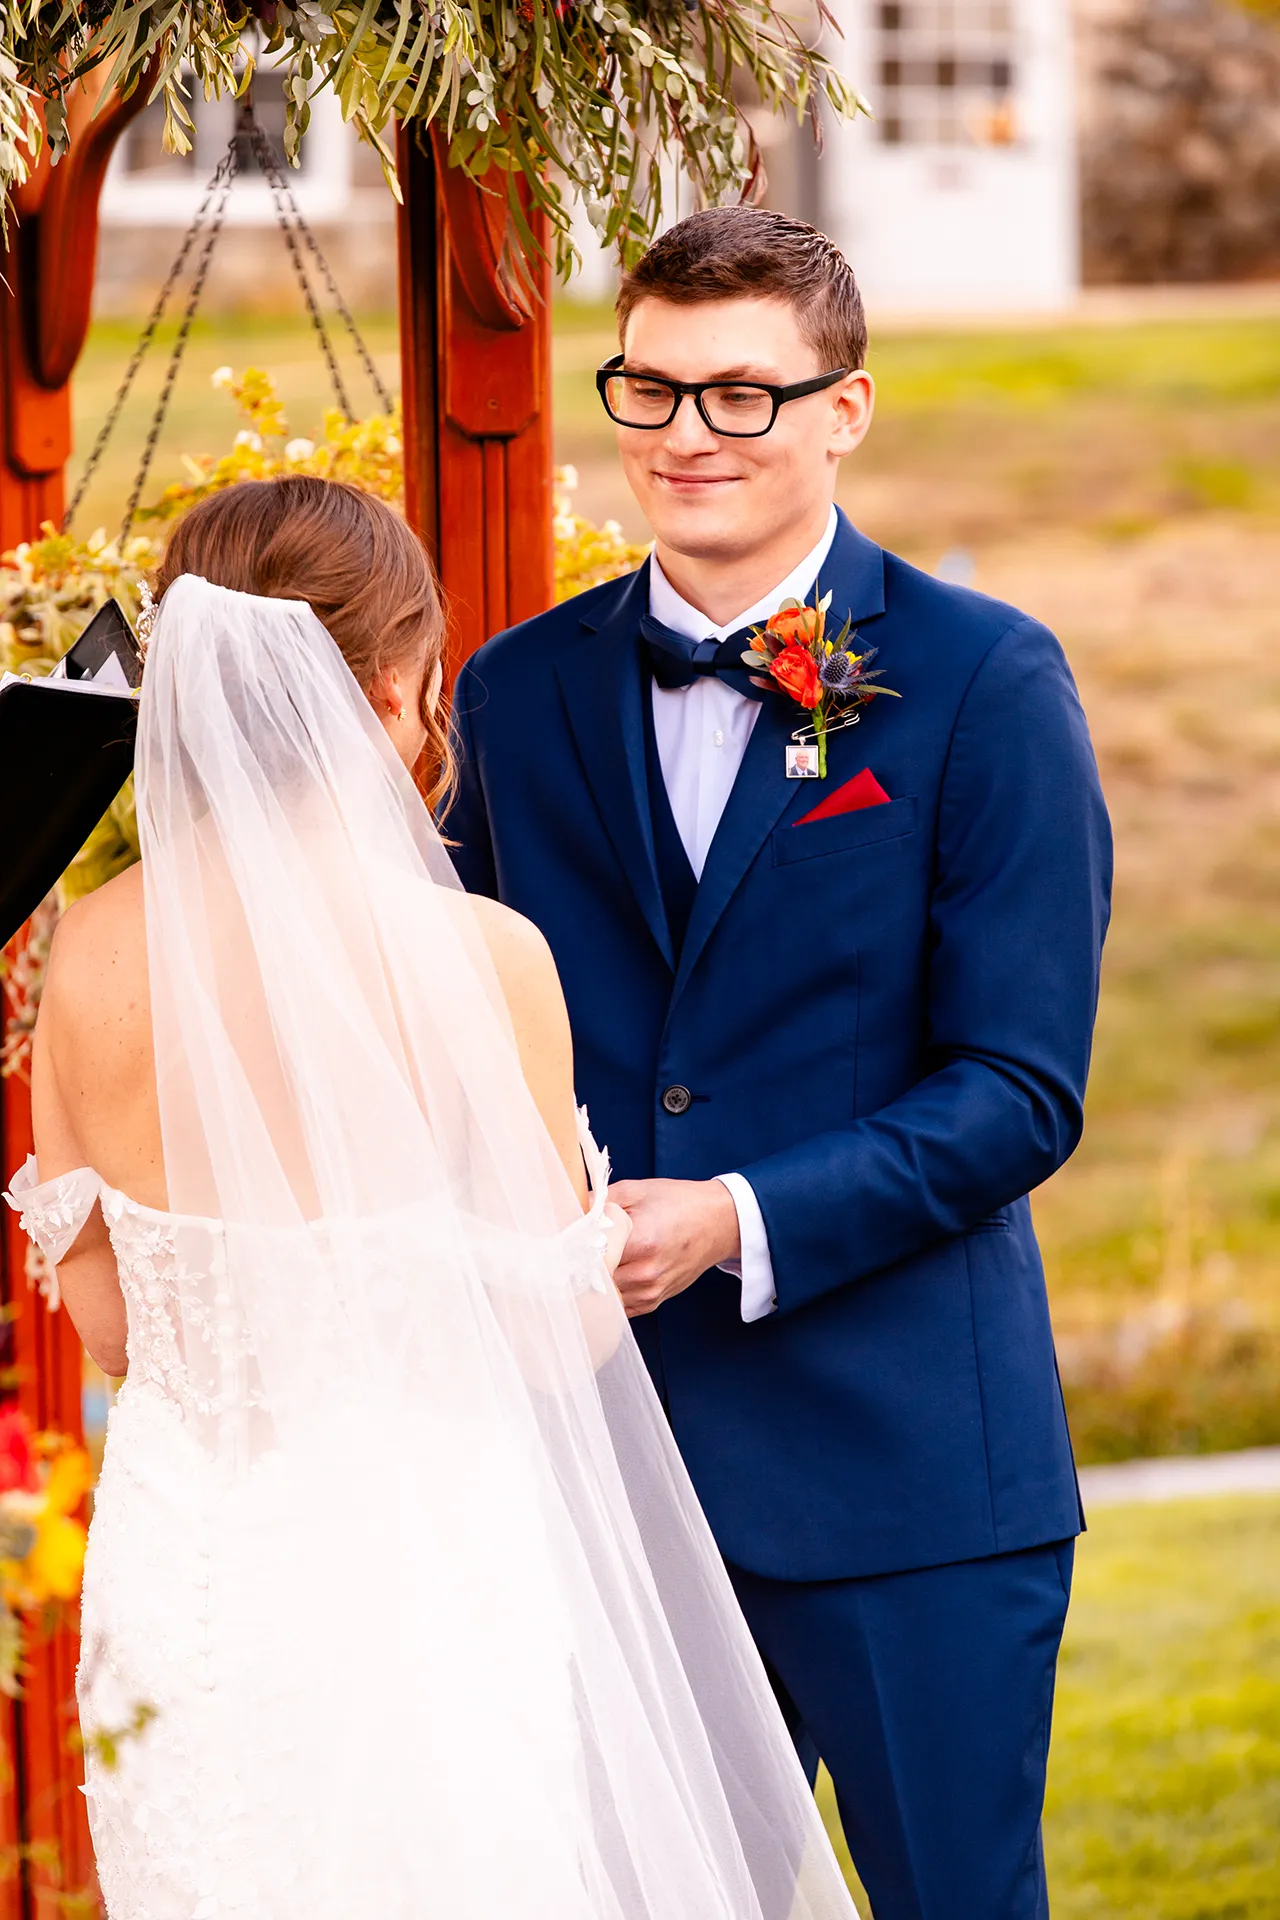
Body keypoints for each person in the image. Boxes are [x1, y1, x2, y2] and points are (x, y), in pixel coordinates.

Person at [4, 476, 860, 1920]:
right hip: (422, 1561)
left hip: (192, 1580)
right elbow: (553, 1331)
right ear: (399, 684)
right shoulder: (481, 956)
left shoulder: (78, 956)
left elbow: (110, 1328)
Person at [445, 207, 1114, 1919]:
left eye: (742, 394)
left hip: (914, 1483)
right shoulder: (519, 692)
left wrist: (737, 1216)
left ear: (845, 409)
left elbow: (1021, 1087)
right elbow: (446, 1006)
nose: (687, 436)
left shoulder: (981, 682)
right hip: (616, 1476)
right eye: (652, 390)